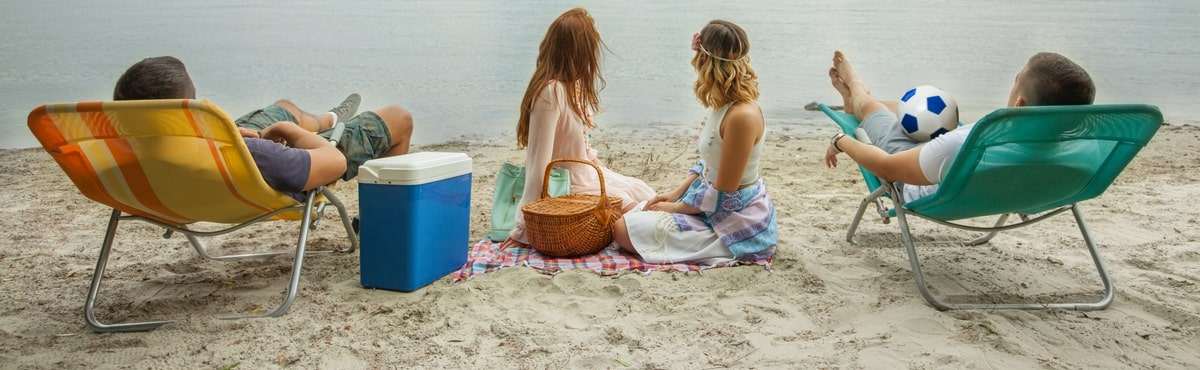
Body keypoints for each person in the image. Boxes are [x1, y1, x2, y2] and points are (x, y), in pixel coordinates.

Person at [112, 56, 415, 200]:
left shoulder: (125, 150)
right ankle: (381, 219)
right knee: (399, 118)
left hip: (208, 153)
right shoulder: (257, 154)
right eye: (195, 101)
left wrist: (218, 134)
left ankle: (328, 118)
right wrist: (291, 132)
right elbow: (336, 163)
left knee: (284, 106)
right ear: (185, 113)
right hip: (271, 160)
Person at [823, 51, 1095, 201]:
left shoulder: (966, 143)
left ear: (1020, 104)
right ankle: (859, 101)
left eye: (1016, 78)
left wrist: (841, 141)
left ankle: (858, 93)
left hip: (916, 180)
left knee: (877, 115)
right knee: (931, 120)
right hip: (997, 185)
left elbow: (886, 168)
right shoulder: (1079, 148)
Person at [612, 20, 778, 264]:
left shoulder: (742, 116)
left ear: (705, 61)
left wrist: (677, 209)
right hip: (709, 206)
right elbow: (709, 163)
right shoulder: (724, 104)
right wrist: (674, 194)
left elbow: (725, 192)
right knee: (630, 214)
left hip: (733, 220)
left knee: (621, 230)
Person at [510, 8, 655, 244]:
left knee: (644, 192)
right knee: (635, 210)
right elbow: (538, 164)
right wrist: (522, 228)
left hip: (588, 173)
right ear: (578, 51)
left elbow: (582, 150)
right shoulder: (551, 92)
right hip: (567, 184)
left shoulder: (573, 87)